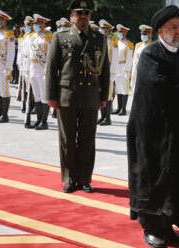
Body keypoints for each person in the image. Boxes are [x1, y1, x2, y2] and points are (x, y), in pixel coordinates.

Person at [127, 5, 179, 248]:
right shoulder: (150, 54)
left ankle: (168, 225)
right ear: (160, 31)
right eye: (173, 27)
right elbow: (160, 87)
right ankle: (151, 227)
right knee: (152, 178)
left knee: (172, 176)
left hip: (174, 130)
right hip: (150, 130)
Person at [46, 0, 110, 193]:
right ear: (72, 16)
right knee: (67, 140)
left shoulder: (99, 38)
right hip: (67, 95)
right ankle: (70, 177)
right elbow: (52, 68)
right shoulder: (60, 36)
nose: (83, 16)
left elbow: (105, 69)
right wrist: (52, 96)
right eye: (79, 13)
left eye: (86, 13)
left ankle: (85, 179)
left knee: (87, 140)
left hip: (90, 96)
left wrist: (104, 95)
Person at [27, 14, 51, 130]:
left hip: (43, 70)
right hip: (33, 69)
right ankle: (38, 119)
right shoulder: (32, 36)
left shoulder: (48, 37)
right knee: (36, 96)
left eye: (38, 24)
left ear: (43, 24)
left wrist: (47, 71)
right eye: (34, 24)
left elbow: (50, 56)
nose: (35, 25)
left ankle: (44, 121)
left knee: (44, 96)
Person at [97, 19, 119, 126]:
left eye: (104, 29)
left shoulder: (113, 42)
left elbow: (115, 59)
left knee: (108, 95)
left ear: (108, 30)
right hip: (99, 71)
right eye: (101, 28)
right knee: (101, 94)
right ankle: (102, 116)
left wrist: (113, 74)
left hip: (109, 72)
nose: (102, 30)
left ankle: (107, 118)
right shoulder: (98, 40)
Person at [111, 24, 133, 116]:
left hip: (123, 66)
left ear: (125, 33)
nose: (120, 34)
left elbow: (129, 59)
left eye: (122, 32)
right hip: (116, 67)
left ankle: (123, 109)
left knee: (124, 89)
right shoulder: (116, 43)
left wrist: (127, 71)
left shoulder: (129, 44)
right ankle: (119, 108)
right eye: (119, 32)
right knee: (118, 89)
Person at [130, 24, 153, 90]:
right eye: (142, 34)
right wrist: (133, 77)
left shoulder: (153, 46)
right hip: (138, 75)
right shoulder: (138, 45)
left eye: (145, 34)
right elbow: (135, 63)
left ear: (150, 35)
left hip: (147, 76)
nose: (143, 35)